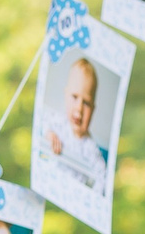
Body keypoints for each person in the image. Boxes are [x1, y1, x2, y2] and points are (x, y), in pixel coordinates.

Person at [36, 57, 108, 187]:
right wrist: (49, 133)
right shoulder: (58, 122)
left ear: (93, 109)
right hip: (49, 181)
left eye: (86, 103)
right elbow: (40, 121)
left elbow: (102, 176)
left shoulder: (90, 148)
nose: (79, 108)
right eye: (74, 97)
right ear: (66, 95)